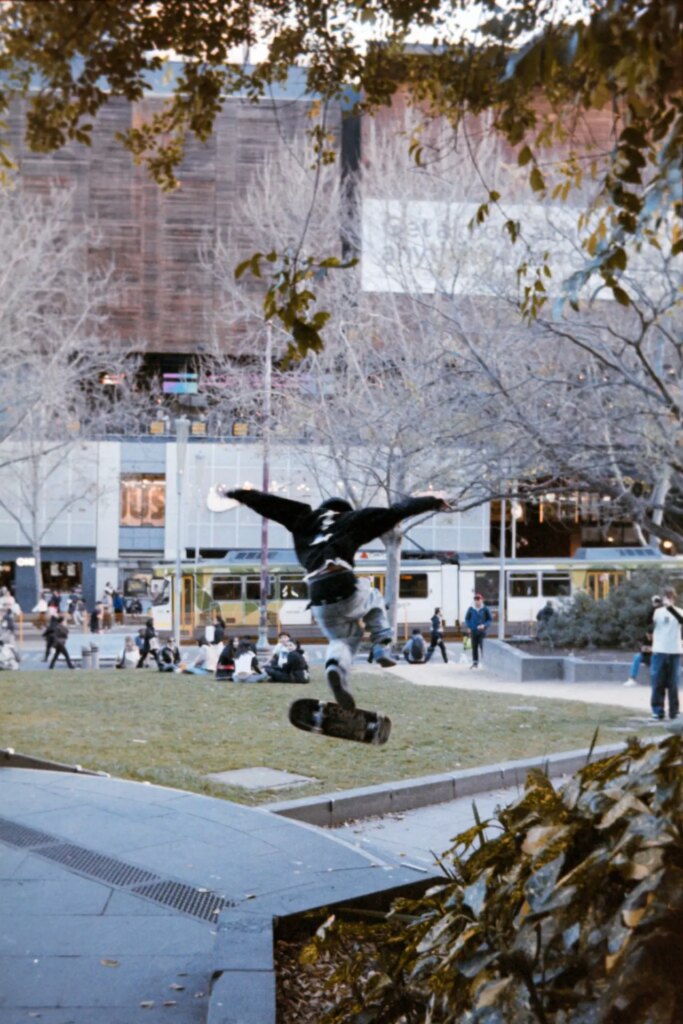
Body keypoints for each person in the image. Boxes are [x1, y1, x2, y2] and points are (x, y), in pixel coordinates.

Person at [220, 486, 450, 709]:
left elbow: (269, 504)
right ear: (344, 512)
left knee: (343, 640)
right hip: (342, 579)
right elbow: (397, 511)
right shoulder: (353, 519)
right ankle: (381, 643)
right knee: (373, 595)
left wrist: (239, 494)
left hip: (317, 592)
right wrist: (433, 502)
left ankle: (335, 667)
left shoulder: (302, 517)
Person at [649, 586, 682, 721]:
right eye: (665, 597)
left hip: (674, 651)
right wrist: (653, 606)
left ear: (674, 598)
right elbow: (647, 623)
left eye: (670, 597)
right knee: (658, 682)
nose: (667, 599)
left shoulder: (679, 611)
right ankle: (657, 710)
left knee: (673, 683)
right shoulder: (657, 612)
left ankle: (674, 711)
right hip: (659, 651)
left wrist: (670, 608)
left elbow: (681, 620)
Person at [623, 595, 663, 686]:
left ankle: (655, 681)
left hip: (657, 656)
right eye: (648, 635)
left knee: (654, 657)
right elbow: (648, 618)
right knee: (637, 657)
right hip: (647, 655)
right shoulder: (648, 631)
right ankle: (632, 679)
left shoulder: (660, 633)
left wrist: (652, 649)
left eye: (651, 636)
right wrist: (653, 605)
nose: (649, 637)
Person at [464, 593, 493, 669]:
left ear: (481, 600)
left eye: (478, 599)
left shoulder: (485, 609)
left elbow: (490, 619)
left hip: (482, 632)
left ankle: (486, 663)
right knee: (474, 647)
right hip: (474, 631)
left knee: (483, 647)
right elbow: (467, 619)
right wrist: (469, 626)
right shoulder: (471, 609)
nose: (477, 601)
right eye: (475, 600)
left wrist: (484, 625)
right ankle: (475, 663)